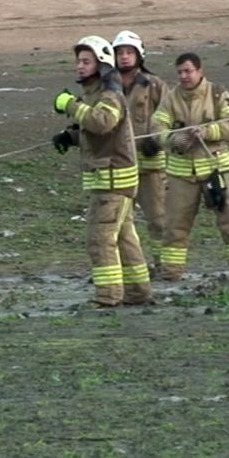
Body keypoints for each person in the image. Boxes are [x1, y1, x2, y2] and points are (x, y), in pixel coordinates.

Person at [51, 36, 150, 307]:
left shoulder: (109, 95)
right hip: (111, 179)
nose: (80, 67)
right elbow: (97, 132)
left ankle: (107, 297)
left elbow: (103, 122)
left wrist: (70, 105)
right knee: (125, 238)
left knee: (100, 239)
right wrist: (70, 137)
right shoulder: (95, 94)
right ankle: (138, 292)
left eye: (86, 61)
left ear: (101, 64)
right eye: (78, 61)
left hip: (113, 181)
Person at [153, 53, 229, 281]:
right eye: (180, 72)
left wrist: (206, 132)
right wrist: (172, 139)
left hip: (215, 171)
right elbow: (157, 126)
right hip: (181, 175)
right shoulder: (170, 98)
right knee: (174, 226)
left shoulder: (218, 93)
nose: (184, 76)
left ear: (200, 71)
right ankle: (170, 272)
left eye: (188, 71)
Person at [112, 30, 167, 269]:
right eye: (120, 53)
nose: (124, 57)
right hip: (119, 165)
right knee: (121, 221)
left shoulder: (154, 84)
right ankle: (129, 266)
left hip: (149, 165)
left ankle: (162, 263)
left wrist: (157, 139)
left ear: (139, 55)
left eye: (129, 52)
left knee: (158, 219)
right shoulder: (107, 87)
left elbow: (168, 114)